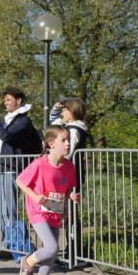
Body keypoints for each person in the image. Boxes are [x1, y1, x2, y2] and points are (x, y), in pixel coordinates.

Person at [14, 127, 80, 275]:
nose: (68, 143)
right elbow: (20, 181)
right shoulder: (40, 163)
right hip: (37, 210)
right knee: (52, 248)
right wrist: (35, 196)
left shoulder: (69, 166)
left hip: (55, 212)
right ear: (51, 144)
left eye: (69, 140)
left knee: (50, 255)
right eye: (63, 140)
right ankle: (27, 262)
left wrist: (71, 196)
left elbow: (66, 191)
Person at [0, 87, 41, 262]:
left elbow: (7, 137)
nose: (5, 103)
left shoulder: (23, 121)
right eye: (5, 100)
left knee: (8, 212)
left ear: (19, 101)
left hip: (11, 169)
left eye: (8, 100)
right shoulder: (5, 121)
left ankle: (24, 249)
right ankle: (10, 244)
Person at [50, 97, 91, 263]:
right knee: (66, 214)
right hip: (67, 177)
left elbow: (67, 152)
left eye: (65, 110)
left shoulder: (74, 130)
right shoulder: (69, 127)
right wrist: (54, 110)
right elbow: (53, 124)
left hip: (70, 178)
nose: (62, 112)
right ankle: (71, 250)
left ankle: (74, 251)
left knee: (71, 215)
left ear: (72, 111)